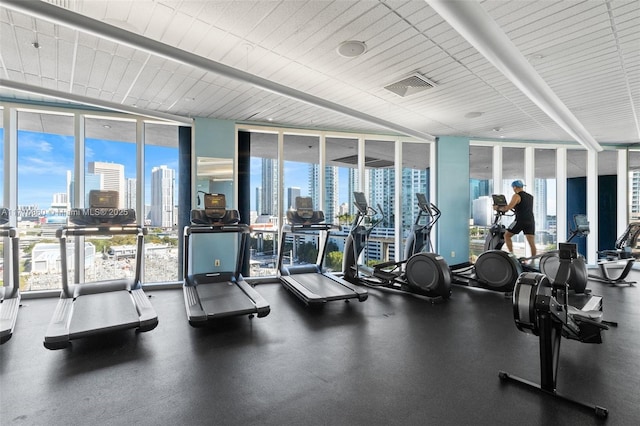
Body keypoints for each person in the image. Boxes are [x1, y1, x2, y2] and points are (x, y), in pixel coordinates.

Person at [494, 180, 536, 256]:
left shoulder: (516, 195)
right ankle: (534, 259)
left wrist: (497, 208)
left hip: (520, 220)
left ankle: (511, 254)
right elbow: (522, 207)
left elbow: (507, 208)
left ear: (514, 187)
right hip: (530, 221)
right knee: (532, 243)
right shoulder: (530, 197)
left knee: (506, 235)